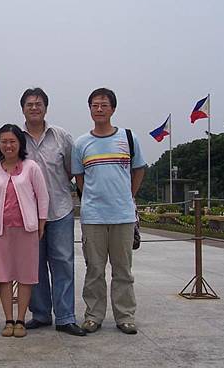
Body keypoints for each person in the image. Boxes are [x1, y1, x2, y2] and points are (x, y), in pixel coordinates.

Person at [72, 88, 146, 335]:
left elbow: (138, 170)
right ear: (90, 109)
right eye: (95, 105)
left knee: (123, 269)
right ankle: (93, 316)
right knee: (94, 269)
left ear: (113, 109)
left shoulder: (128, 137)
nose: (99, 109)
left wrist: (128, 196)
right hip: (93, 216)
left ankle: (125, 316)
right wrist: (92, 199)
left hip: (122, 215)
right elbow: (79, 178)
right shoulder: (82, 143)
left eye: (104, 105)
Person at [20, 87, 86, 336]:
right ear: (23, 108)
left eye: (38, 103)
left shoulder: (61, 136)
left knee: (63, 263)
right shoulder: (17, 137)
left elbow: (71, 170)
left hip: (59, 210)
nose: (34, 107)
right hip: (28, 214)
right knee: (34, 266)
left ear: (46, 107)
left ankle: (66, 317)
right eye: (29, 104)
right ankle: (40, 313)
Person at [0, 124, 49, 338]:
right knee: (4, 276)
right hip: (2, 230)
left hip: (26, 229)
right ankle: (8, 320)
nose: (8, 145)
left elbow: (42, 197)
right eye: (4, 141)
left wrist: (41, 223)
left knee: (25, 276)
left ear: (20, 143)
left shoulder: (31, 167)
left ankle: (20, 319)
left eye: (12, 141)